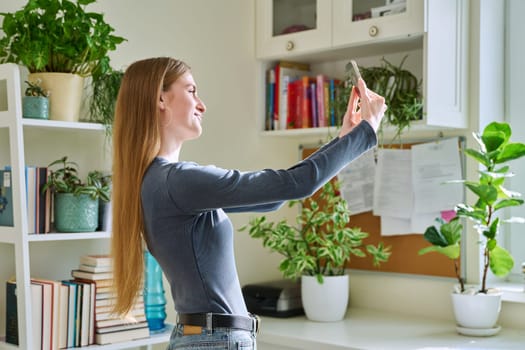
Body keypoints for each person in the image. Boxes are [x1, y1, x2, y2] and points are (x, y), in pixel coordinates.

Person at [111, 57, 386, 349]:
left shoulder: (158, 181)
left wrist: (345, 138)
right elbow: (294, 184)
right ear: (161, 98)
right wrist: (366, 130)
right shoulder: (177, 181)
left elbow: (274, 198)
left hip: (205, 338)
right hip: (215, 340)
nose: (201, 105)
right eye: (191, 91)